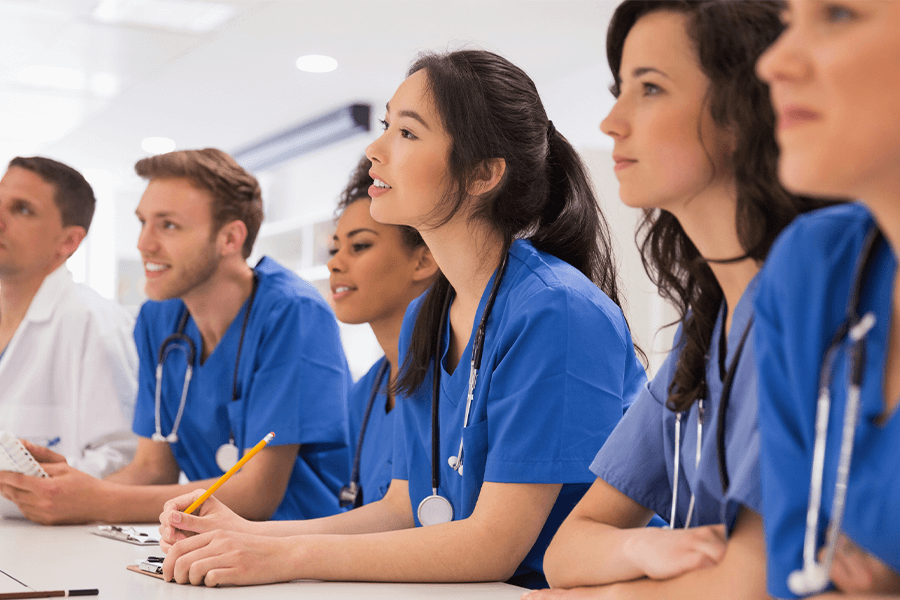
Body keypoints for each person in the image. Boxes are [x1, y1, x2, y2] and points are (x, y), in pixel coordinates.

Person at [155, 49, 646, 589]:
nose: (374, 147)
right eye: (387, 125)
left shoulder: (557, 310)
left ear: (483, 174)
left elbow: (494, 546)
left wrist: (286, 557)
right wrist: (250, 534)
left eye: (407, 133)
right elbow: (402, 507)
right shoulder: (425, 318)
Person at [524, 2, 837, 599]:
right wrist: (643, 544)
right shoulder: (708, 324)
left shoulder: (814, 302)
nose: (612, 122)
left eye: (649, 88)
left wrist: (614, 588)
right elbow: (568, 551)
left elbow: (750, 583)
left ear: (745, 108)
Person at [0, 148, 351, 525]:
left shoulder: (292, 313)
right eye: (143, 222)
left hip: (300, 555)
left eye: (167, 225)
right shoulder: (159, 318)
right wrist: (66, 492)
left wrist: (96, 500)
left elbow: (257, 493)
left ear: (230, 237)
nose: (144, 244)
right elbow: (152, 468)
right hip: (209, 547)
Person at [753, 2, 900, 597]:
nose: (773, 62)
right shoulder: (814, 269)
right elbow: (796, 574)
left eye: (838, 14)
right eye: (789, 19)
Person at [0, 156, 138, 519]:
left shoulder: (95, 323)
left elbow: (125, 460)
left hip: (57, 547)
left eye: (22, 210)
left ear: (68, 241)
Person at [330, 156, 438, 508]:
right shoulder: (365, 394)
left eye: (359, 246)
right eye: (335, 248)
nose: (334, 262)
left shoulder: (452, 378)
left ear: (423, 260)